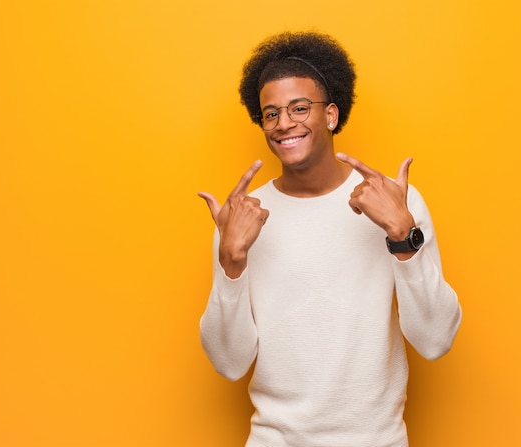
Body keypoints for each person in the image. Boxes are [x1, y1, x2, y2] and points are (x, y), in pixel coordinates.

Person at [198, 31, 462, 447]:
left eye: (299, 108)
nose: (284, 123)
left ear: (331, 115)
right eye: (271, 114)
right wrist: (231, 260)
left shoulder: (394, 202)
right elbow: (229, 364)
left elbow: (435, 340)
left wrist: (401, 237)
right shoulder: (243, 219)